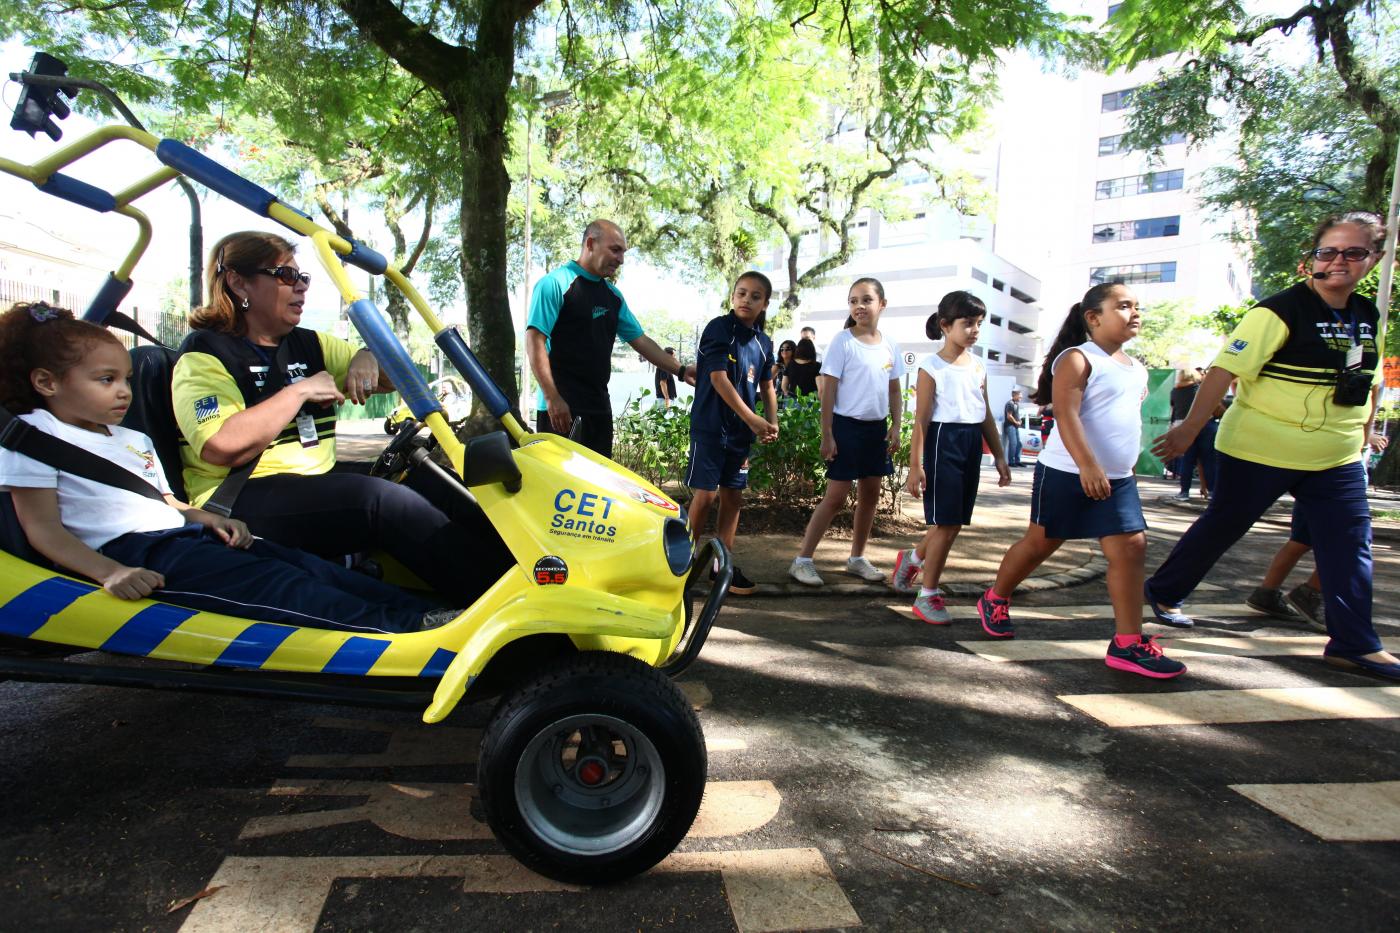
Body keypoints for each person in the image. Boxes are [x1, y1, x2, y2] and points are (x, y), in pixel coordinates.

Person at [0, 303, 449, 634]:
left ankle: (430, 615)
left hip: (183, 534)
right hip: (133, 554)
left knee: (304, 567)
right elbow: (44, 531)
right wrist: (109, 573)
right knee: (276, 586)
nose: (123, 394)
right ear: (46, 382)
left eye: (125, 380)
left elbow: (166, 502)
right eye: (105, 381)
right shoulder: (35, 436)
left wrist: (209, 517)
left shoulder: (131, 439)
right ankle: (404, 630)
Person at [171, 231, 505, 607]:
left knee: (432, 482)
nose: (300, 288)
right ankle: (496, 607)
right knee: (378, 501)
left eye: (303, 278)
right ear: (238, 281)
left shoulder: (309, 344)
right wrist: (298, 392)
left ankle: (525, 577)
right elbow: (222, 446)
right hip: (237, 500)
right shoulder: (204, 356)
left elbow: (397, 376)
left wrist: (367, 354)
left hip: (312, 483)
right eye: (285, 276)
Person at [1147, 211, 1397, 681]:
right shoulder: (1278, 311)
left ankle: (1354, 644)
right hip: (1259, 448)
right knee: (1225, 524)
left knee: (1350, 545)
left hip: (1335, 456)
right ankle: (1163, 590)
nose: (1339, 261)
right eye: (1329, 251)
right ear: (1313, 260)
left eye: (1354, 252)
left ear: (1375, 259)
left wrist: (1364, 430)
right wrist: (1187, 429)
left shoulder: (1367, 314)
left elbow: (1367, 378)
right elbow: (1223, 371)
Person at [976, 283, 1185, 677]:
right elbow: (1068, 416)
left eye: (1136, 306)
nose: (1134, 313)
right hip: (1067, 472)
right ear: (1093, 318)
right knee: (1041, 543)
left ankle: (1127, 643)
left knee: (1131, 547)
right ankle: (995, 597)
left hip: (1118, 480)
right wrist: (1088, 463)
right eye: (1123, 306)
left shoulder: (1136, 367)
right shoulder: (1076, 359)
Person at [525, 219, 692, 456]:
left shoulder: (613, 296)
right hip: (561, 408)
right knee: (560, 488)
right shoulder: (555, 284)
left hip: (599, 408)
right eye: (615, 250)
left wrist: (682, 371)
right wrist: (552, 397)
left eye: (623, 253)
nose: (621, 259)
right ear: (591, 244)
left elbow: (641, 341)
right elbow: (535, 341)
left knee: (597, 488)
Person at [893, 292, 1011, 622]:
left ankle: (913, 559)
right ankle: (927, 595)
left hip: (971, 442)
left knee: (954, 523)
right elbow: (922, 420)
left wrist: (999, 454)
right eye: (967, 323)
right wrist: (915, 466)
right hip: (943, 441)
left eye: (978, 324)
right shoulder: (931, 367)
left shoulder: (978, 365)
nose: (974, 330)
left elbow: (984, 412)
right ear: (945, 326)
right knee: (945, 523)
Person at [788, 278, 904, 586]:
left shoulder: (890, 344)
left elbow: (894, 389)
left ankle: (856, 558)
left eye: (866, 300)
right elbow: (828, 392)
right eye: (853, 301)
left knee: (870, 495)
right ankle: (802, 561)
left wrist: (896, 426)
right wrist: (827, 433)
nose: (859, 306)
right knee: (836, 497)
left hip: (876, 430)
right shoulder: (843, 341)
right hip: (846, 427)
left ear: (882, 304)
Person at [686, 271, 779, 596]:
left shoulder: (764, 344)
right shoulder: (718, 329)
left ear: (765, 303)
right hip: (710, 427)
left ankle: (719, 566)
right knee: (705, 496)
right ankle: (680, 564)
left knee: (733, 497)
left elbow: (767, 385)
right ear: (732, 297)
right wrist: (753, 418)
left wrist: (771, 420)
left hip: (740, 435)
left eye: (755, 296)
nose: (747, 300)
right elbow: (717, 378)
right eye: (741, 293)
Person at [1246, 506, 1323, 631]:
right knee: (1345, 544)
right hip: (1335, 494)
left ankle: (1266, 593)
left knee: (1302, 540)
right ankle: (1310, 593)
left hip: (1311, 493)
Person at [1002, 388, 1025, 467]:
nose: (1021, 397)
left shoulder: (1016, 404)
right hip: (1010, 426)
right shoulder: (1010, 404)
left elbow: (1015, 415)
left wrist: (1019, 421)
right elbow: (1009, 416)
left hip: (1015, 426)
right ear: (1015, 395)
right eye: (1020, 396)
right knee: (1013, 444)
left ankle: (1017, 460)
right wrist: (1016, 422)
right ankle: (1011, 462)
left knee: (1019, 444)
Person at [772, 340, 796, 406]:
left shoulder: (797, 366)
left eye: (788, 349)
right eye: (782, 349)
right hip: (779, 399)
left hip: (795, 399)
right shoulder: (777, 366)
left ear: (794, 350)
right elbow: (767, 382)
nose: (784, 351)